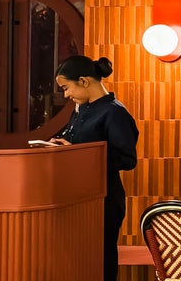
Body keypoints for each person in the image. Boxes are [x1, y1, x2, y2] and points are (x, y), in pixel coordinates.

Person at [49, 55, 139, 281]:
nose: (66, 95)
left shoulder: (114, 112)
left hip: (104, 199)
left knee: (101, 260)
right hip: (81, 197)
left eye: (66, 88)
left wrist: (77, 151)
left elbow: (127, 159)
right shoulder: (81, 109)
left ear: (84, 81)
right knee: (81, 260)